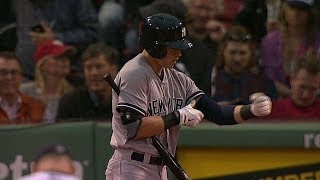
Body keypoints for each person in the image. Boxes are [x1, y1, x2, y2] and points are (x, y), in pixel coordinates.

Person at [105, 13, 272, 180]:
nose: (179, 54)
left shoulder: (177, 78)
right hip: (131, 166)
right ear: (157, 47)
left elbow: (217, 113)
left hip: (159, 167)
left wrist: (252, 110)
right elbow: (134, 128)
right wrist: (178, 116)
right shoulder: (134, 73)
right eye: (174, 48)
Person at [11, 0, 98, 80]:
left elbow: (92, 32)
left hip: (65, 76)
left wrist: (56, 37)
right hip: (24, 72)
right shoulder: (18, 2)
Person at [261, 0, 320, 98]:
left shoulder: (318, 42)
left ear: (310, 13)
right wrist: (291, 94)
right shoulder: (270, 41)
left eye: (302, 9)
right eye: (292, 8)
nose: (296, 13)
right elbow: (269, 78)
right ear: (284, 10)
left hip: (311, 98)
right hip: (276, 97)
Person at [211, 25, 277, 105]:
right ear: (222, 52)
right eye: (232, 52)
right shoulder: (210, 80)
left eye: (243, 53)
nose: (237, 59)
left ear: (251, 54)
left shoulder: (264, 84)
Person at [56, 43, 118, 121]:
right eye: (88, 68)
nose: (93, 73)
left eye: (99, 67)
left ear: (113, 70)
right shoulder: (70, 101)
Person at [20, 40, 76, 123]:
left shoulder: (73, 95)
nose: (65, 61)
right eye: (58, 58)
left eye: (66, 57)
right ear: (42, 64)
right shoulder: (25, 91)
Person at [0, 51, 44, 124]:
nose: (9, 77)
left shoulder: (38, 107)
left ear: (21, 77)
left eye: (14, 72)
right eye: (3, 72)